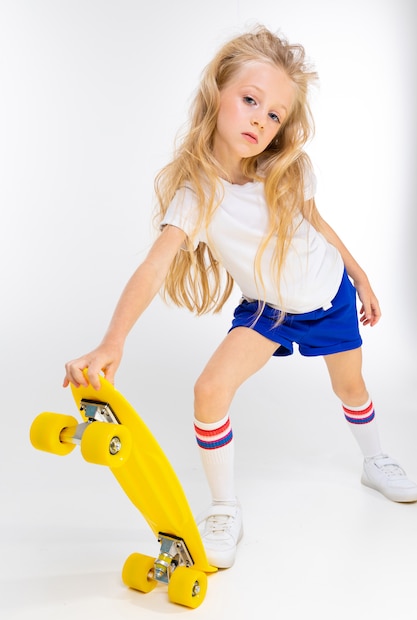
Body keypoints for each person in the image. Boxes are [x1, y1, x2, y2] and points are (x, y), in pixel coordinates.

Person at [64, 26, 417, 569]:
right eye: (251, 100)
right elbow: (155, 264)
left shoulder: (287, 168)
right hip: (268, 312)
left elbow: (318, 223)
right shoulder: (198, 194)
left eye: (275, 114)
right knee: (210, 389)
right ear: (217, 94)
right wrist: (113, 341)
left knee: (352, 387)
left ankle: (375, 460)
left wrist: (362, 277)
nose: (260, 119)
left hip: (330, 298)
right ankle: (224, 507)